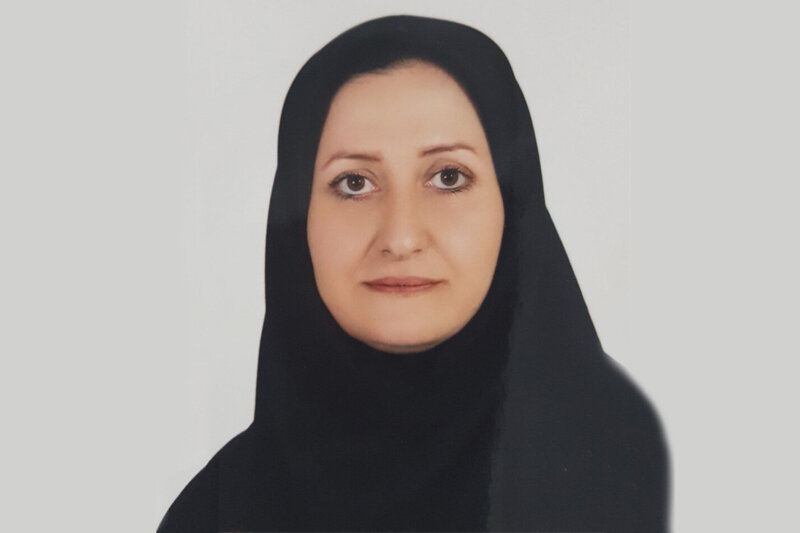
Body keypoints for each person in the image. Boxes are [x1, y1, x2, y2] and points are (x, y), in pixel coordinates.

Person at [158, 14, 670, 532]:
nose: (401, 237)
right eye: (354, 183)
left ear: (513, 206)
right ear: (297, 216)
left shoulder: (647, 485)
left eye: (448, 177)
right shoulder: (213, 514)